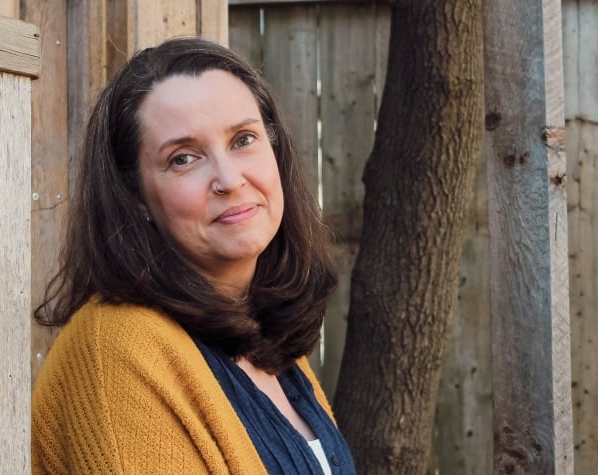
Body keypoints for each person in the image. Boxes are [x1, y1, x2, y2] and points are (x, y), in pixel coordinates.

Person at [31, 37, 356, 475]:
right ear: (136, 196)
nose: (228, 179)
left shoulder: (266, 341)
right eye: (183, 158)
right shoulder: (116, 349)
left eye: (243, 139)